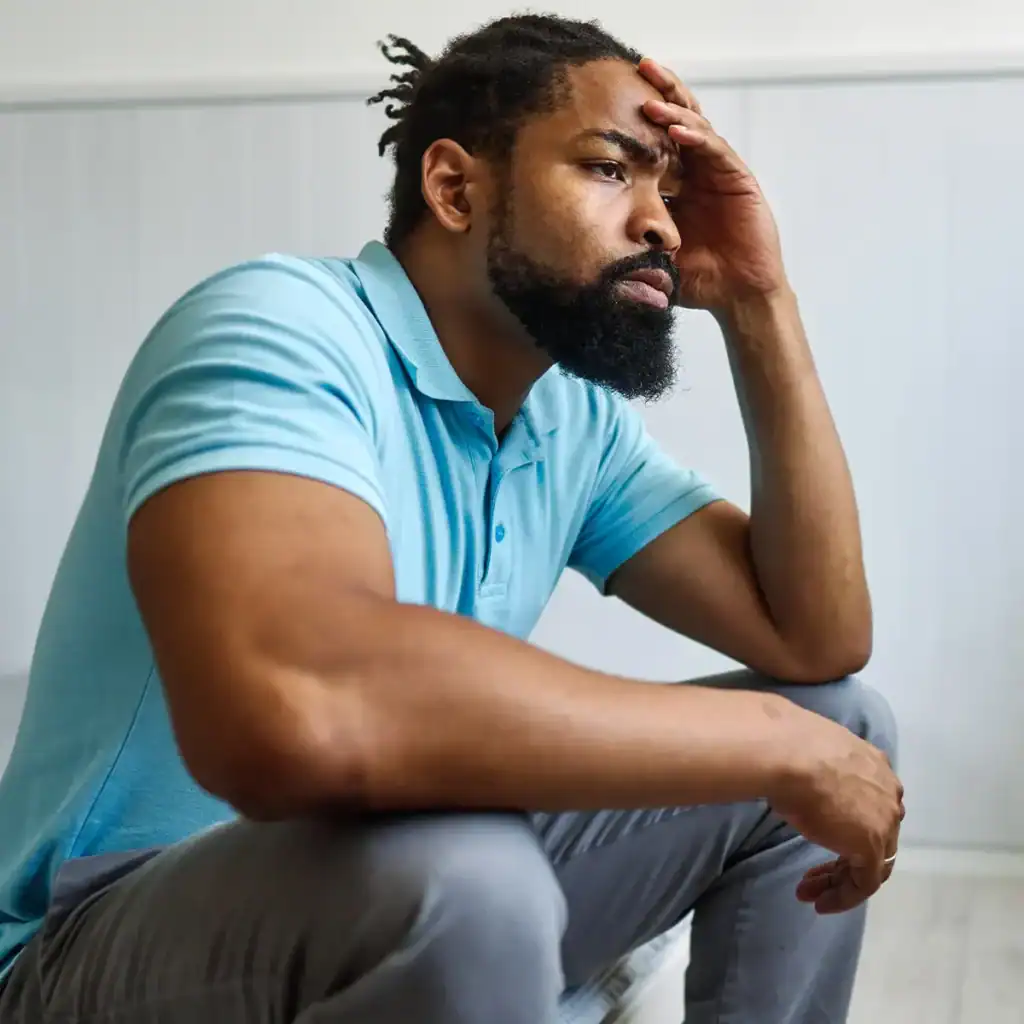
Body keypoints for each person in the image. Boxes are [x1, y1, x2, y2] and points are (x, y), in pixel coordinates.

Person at [0, 13, 903, 1024]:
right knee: (468, 869)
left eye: (672, 191)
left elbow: (813, 634)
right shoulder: (279, 326)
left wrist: (758, 299)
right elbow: (293, 702)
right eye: (613, 170)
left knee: (844, 725)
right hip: (88, 951)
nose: (662, 224)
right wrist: (766, 739)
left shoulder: (568, 421)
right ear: (456, 187)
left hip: (395, 881)